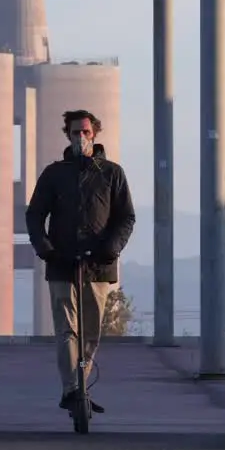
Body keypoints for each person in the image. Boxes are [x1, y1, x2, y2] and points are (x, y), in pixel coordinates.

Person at [25, 109, 136, 415]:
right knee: (67, 330)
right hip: (62, 262)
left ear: (95, 134)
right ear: (68, 135)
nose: (82, 137)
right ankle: (72, 389)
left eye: (86, 132)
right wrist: (45, 248)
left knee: (91, 331)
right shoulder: (55, 173)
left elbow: (126, 216)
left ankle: (79, 386)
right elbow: (35, 214)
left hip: (98, 265)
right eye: (76, 132)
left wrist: (111, 248)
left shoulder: (112, 173)